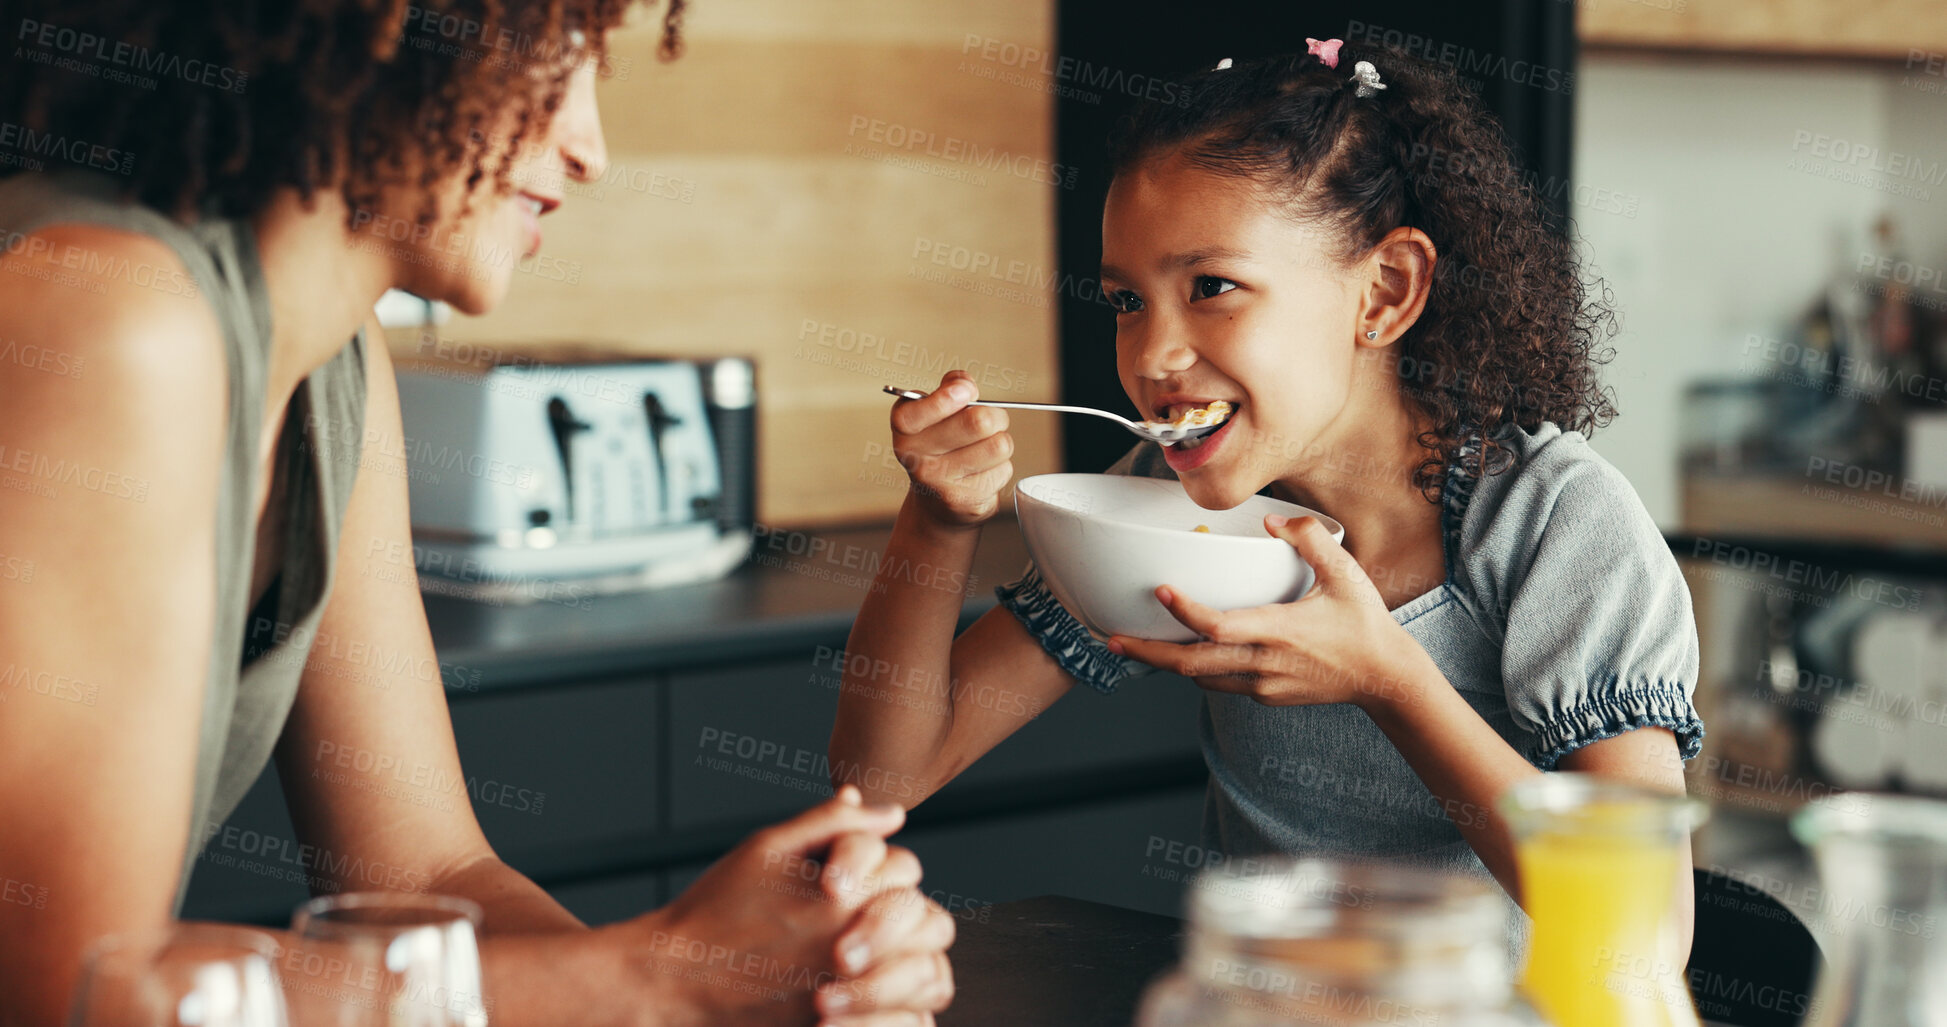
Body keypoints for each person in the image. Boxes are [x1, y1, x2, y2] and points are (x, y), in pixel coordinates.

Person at [0, 2, 953, 1023]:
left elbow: (431, 869)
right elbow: (75, 985)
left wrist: (770, 964)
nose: (591, 150)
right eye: (556, 59)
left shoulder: (335, 358)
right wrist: (663, 978)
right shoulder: (109, 319)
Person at [831, 42, 1702, 954]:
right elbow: (883, 775)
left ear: (1385, 292)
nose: (1151, 358)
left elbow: (1640, 931)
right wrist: (935, 522)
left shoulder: (1553, 524)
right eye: (1126, 300)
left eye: (1212, 287)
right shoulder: (1163, 507)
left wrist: (1387, 680)